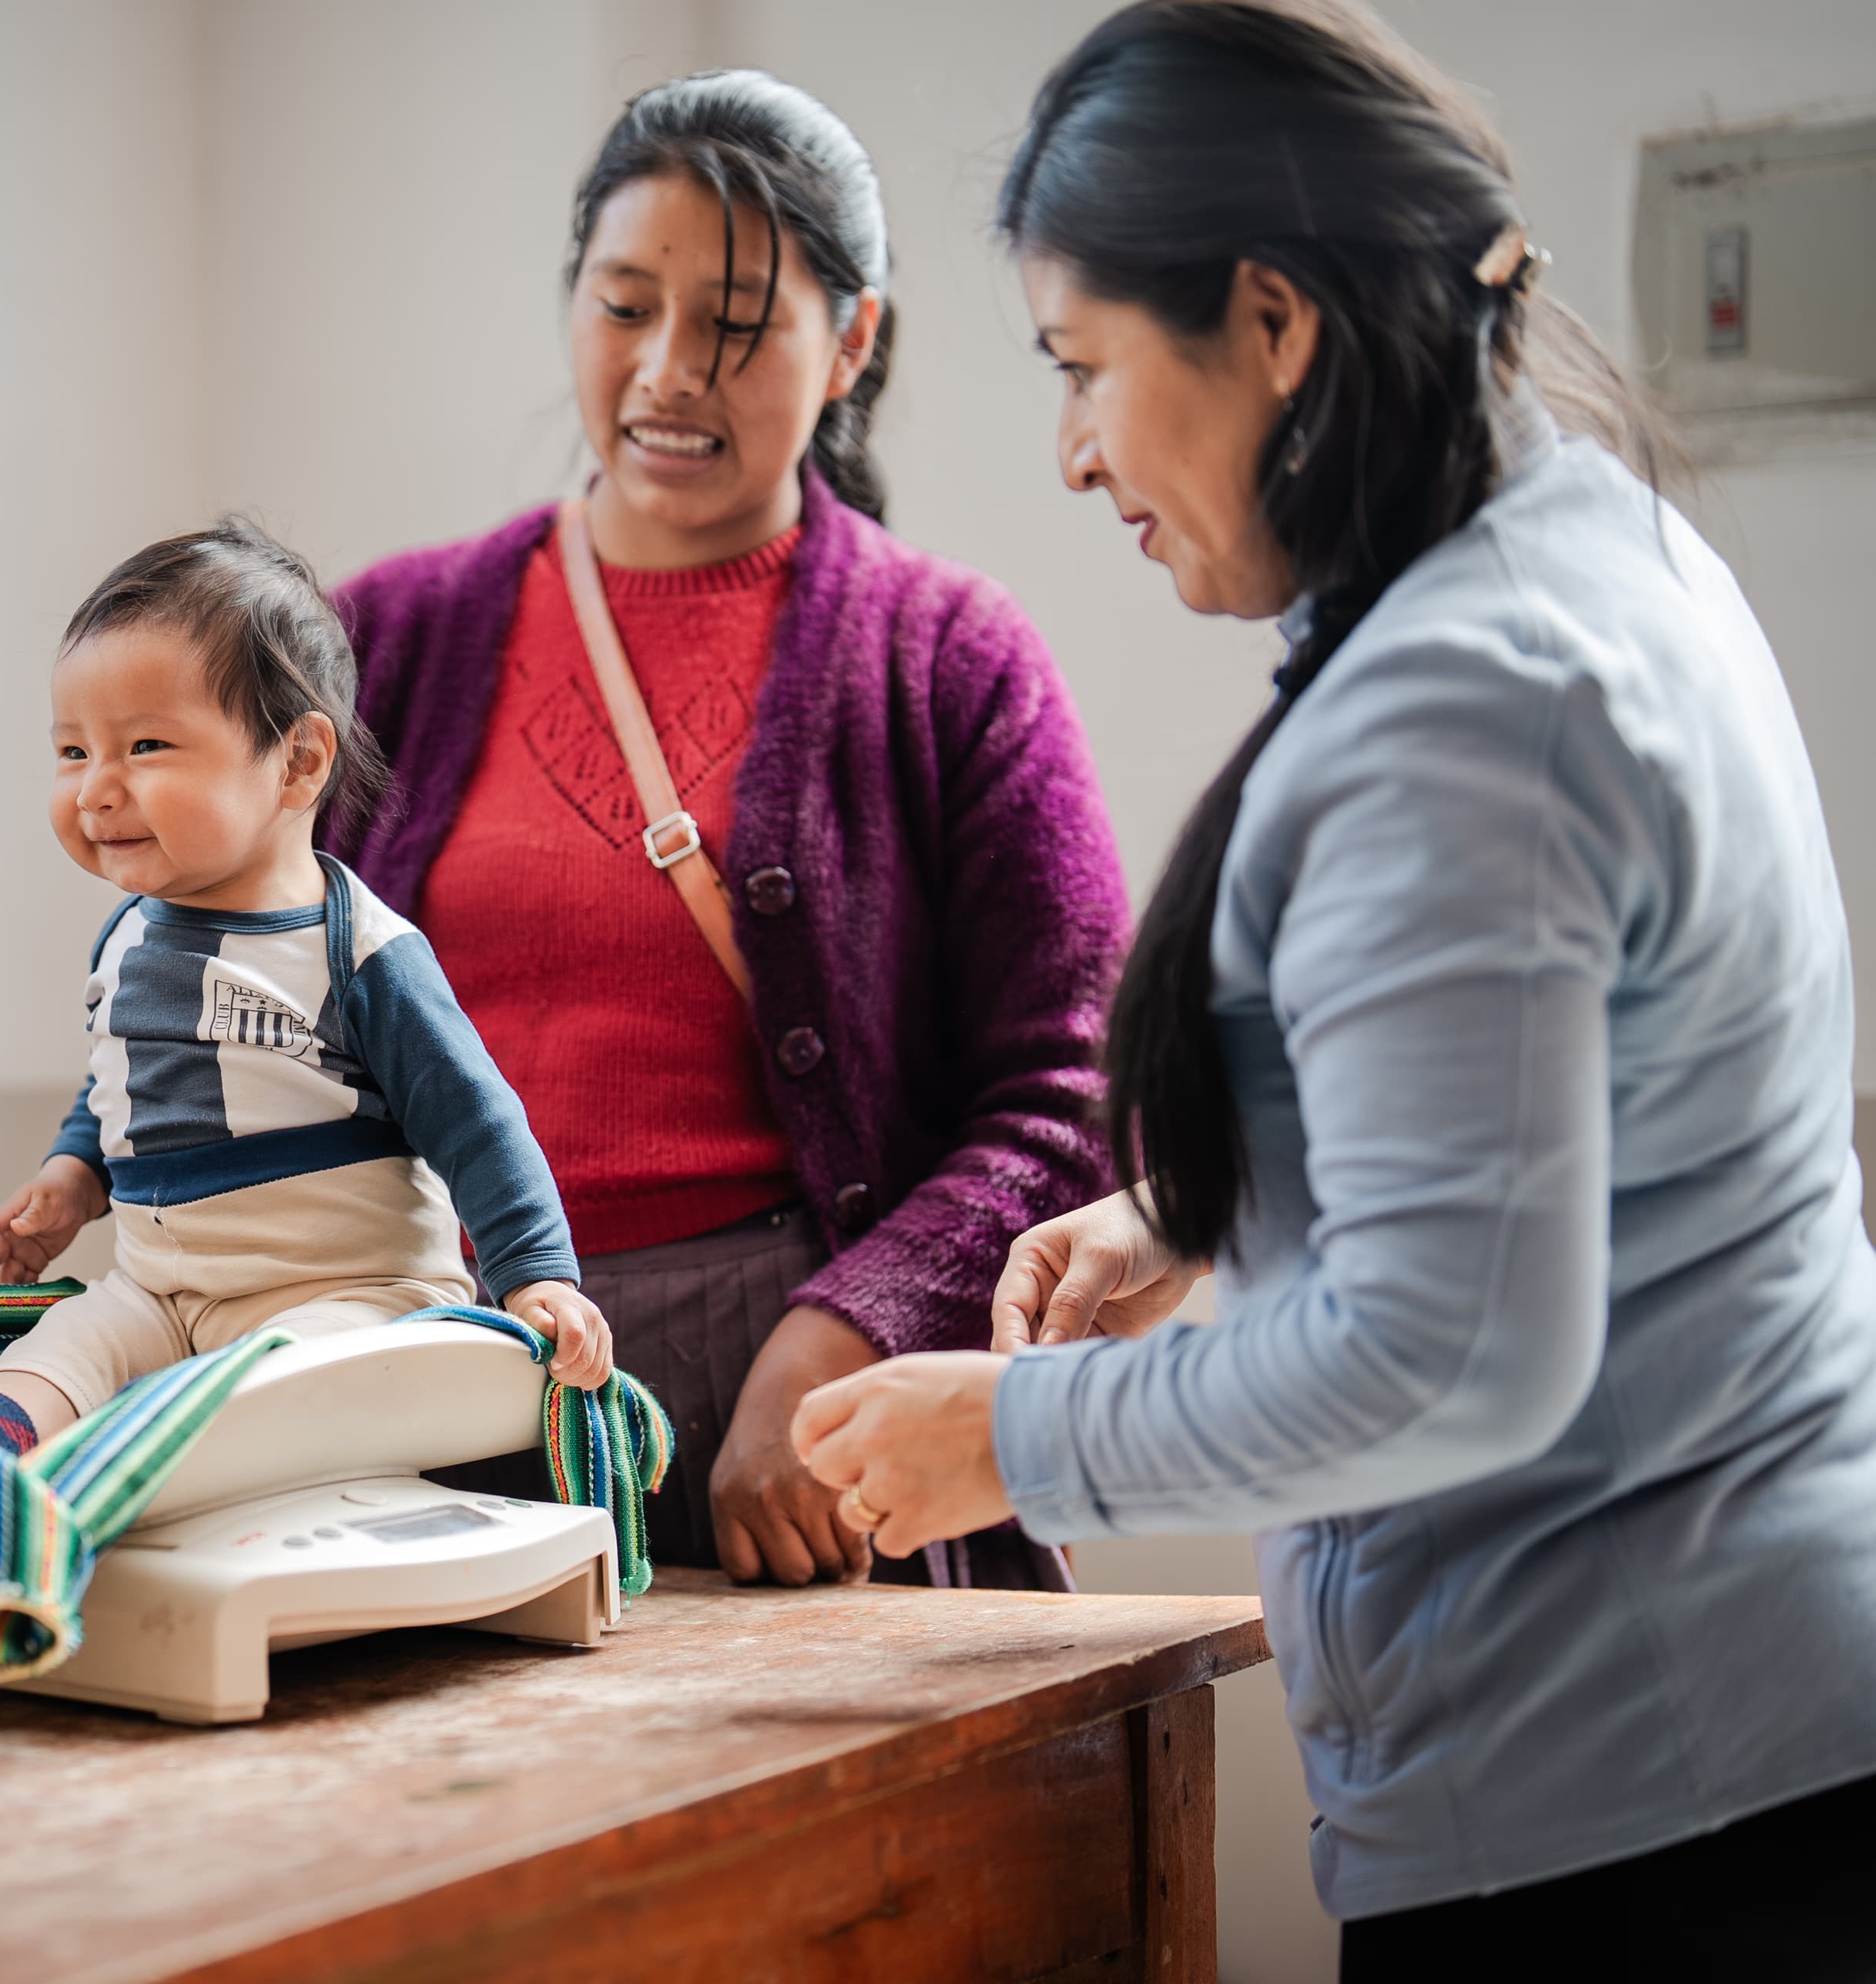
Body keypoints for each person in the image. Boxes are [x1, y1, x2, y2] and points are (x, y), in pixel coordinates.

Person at [789, 4, 1876, 1973]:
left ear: (1270, 326)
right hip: (1717, 1743)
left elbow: (1450, 1355)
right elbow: (1550, 1137)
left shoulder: (1470, 702)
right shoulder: (1586, 550)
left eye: (1083, 368)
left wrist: (1016, 1428)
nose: (1073, 452)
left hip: (1644, 1809)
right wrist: (1218, 1212)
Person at [329, 71, 1123, 1587]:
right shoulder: (388, 638)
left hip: (800, 1434)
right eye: (626, 307)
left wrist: (849, 1327)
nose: (668, 371)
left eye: (739, 326)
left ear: (855, 343)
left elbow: (1075, 1091)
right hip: (431, 1387)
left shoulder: (948, 655)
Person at [0, 519, 611, 1474]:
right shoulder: (131, 934)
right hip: (162, 1289)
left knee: (282, 1377)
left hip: (349, 1296)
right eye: (73, 753)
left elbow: (477, 1120)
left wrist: (536, 1277)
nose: (96, 790)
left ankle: (149, 1448)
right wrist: (71, 1176)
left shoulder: (357, 949)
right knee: (76, 1341)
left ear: (298, 763)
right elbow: (118, 1079)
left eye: (144, 745)